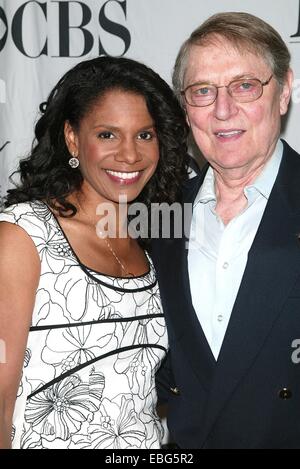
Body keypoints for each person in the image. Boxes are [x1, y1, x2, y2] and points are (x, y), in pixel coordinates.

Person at [0, 56, 188, 449]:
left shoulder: (155, 239)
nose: (129, 155)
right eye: (107, 135)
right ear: (72, 137)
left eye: (145, 135)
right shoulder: (23, 236)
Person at [152, 12, 300, 448]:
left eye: (244, 85)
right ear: (185, 108)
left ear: (284, 91)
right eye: (202, 91)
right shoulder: (158, 215)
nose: (222, 109)